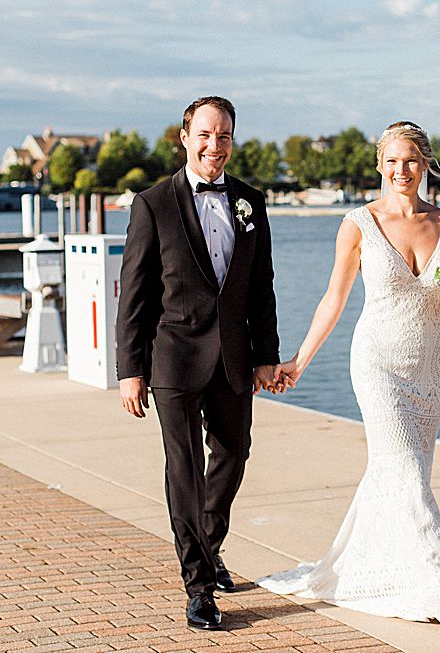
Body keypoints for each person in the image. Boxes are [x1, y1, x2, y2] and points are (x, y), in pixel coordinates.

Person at [257, 121, 440, 628]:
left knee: (409, 471)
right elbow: (334, 298)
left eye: (411, 160)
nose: (401, 170)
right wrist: (299, 360)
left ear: (425, 164)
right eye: (392, 161)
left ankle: (383, 563)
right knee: (403, 465)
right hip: (378, 362)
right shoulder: (358, 223)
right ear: (380, 165)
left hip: (431, 365)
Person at [116, 95, 283, 631]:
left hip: (234, 358)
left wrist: (266, 356)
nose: (215, 145)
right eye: (206, 135)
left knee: (233, 455)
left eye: (224, 135)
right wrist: (130, 369)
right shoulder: (152, 204)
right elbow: (135, 294)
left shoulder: (251, 202)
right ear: (185, 138)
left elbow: (261, 287)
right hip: (174, 360)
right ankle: (199, 586)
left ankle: (208, 549)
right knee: (184, 469)